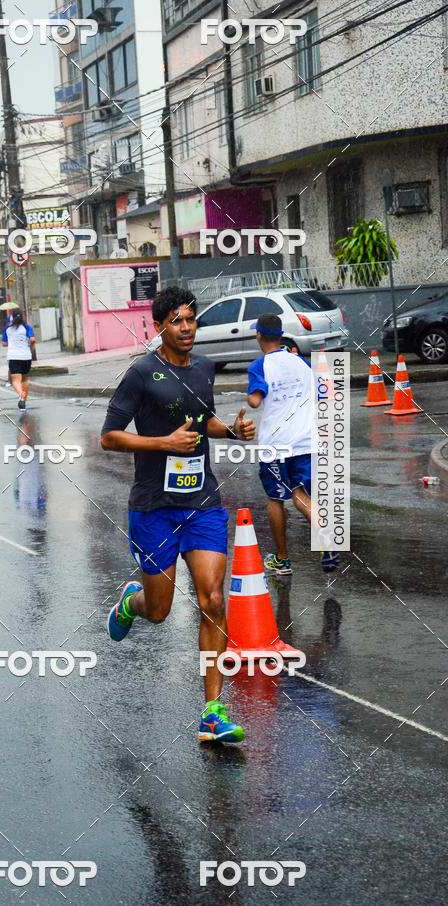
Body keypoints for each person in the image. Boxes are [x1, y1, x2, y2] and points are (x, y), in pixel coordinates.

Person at [101, 286, 256, 744]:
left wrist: (231, 430)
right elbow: (109, 437)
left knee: (212, 600)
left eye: (191, 320)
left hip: (202, 501)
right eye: (178, 321)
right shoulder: (142, 374)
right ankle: (132, 602)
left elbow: (202, 420)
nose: (187, 328)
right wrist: (162, 443)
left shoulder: (205, 368)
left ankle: (212, 712)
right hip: (154, 507)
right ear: (159, 326)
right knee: (161, 610)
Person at [246, 312, 339, 575]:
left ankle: (283, 559)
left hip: (276, 443)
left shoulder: (258, 365)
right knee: (301, 494)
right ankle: (325, 535)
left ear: (259, 335)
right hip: (305, 440)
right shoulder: (300, 361)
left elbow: (254, 400)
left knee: (275, 498)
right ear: (280, 335)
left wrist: (252, 394)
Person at [2, 309, 35, 410]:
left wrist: (11, 341)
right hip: (26, 356)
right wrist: (30, 345)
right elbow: (32, 339)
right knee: (24, 380)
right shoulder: (26, 326)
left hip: (13, 356)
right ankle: (23, 404)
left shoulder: (7, 328)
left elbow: (4, 343)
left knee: (15, 380)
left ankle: (21, 394)